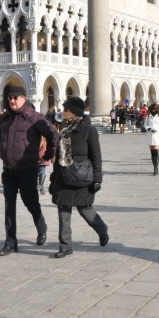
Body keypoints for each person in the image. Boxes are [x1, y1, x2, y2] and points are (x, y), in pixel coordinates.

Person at [0, 86, 57, 256]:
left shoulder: (34, 117)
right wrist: (1, 148)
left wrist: (49, 154)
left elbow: (52, 134)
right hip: (8, 169)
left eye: (15, 97)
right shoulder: (4, 118)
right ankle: (10, 242)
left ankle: (41, 225)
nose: (12, 101)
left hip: (28, 168)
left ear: (24, 98)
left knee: (30, 202)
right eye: (10, 98)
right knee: (9, 205)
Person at [49, 97, 109, 258]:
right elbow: (58, 155)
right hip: (63, 176)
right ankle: (65, 245)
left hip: (81, 176)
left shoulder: (89, 130)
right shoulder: (63, 129)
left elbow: (96, 156)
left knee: (85, 209)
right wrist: (53, 178)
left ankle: (102, 229)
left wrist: (98, 178)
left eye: (66, 110)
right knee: (63, 210)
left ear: (74, 112)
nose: (63, 112)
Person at [145, 103, 159, 175]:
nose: (153, 110)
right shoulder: (148, 116)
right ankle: (154, 165)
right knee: (152, 152)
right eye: (152, 109)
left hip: (156, 134)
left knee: (155, 151)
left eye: (154, 109)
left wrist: (157, 129)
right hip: (150, 134)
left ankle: (156, 167)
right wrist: (148, 128)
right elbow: (145, 124)